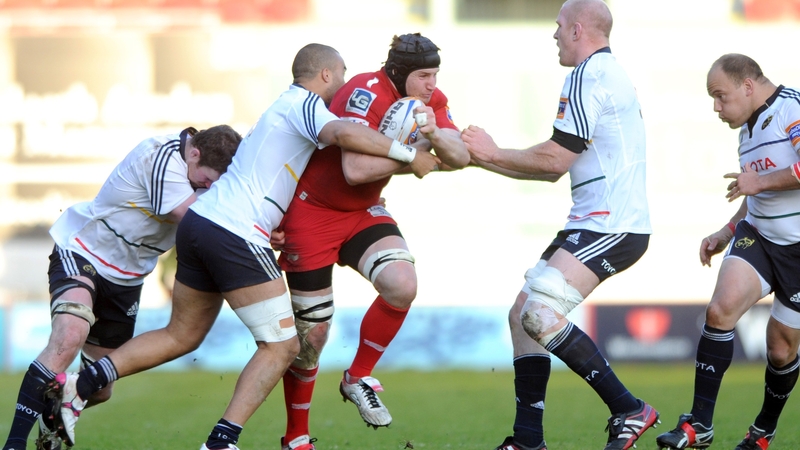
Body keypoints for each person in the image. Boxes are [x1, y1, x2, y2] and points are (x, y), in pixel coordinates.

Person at [45, 43, 439, 450]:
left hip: (200, 226)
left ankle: (81, 385)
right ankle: (222, 441)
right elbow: (343, 133)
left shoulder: (286, 112)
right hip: (233, 231)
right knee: (283, 345)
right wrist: (408, 154)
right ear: (324, 74)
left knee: (181, 335)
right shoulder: (302, 102)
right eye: (340, 72)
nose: (342, 81)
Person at [462, 1, 657, 449]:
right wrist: (479, 159)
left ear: (577, 29)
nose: (553, 34)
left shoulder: (590, 76)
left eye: (557, 26)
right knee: (521, 315)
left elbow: (553, 158)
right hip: (590, 223)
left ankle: (629, 408)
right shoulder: (601, 74)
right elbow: (551, 169)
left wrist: (489, 153)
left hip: (611, 225)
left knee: (539, 314)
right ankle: (529, 439)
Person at [275, 33, 469, 450]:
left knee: (402, 283)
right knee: (313, 334)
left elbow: (460, 158)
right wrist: (412, 156)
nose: (432, 84)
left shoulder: (430, 100)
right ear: (399, 74)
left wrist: (434, 133)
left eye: (435, 74)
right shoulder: (363, 91)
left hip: (362, 212)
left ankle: (357, 375)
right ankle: (296, 438)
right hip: (312, 211)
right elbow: (356, 170)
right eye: (423, 75)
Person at [2, 124, 242, 450]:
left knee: (99, 388)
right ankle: (13, 445)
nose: (209, 188)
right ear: (194, 153)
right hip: (84, 250)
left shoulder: (198, 166)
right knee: (70, 333)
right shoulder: (161, 156)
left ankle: (51, 415)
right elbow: (193, 217)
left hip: (127, 279)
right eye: (207, 180)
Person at [655, 54, 800, 450]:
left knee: (781, 348)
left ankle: (762, 433)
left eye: (720, 96)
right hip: (760, 235)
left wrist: (760, 182)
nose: (717, 107)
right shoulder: (746, 132)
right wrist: (726, 230)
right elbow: (757, 195)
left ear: (747, 86)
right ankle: (699, 425)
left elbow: (764, 182)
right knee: (720, 310)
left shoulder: (792, 108)